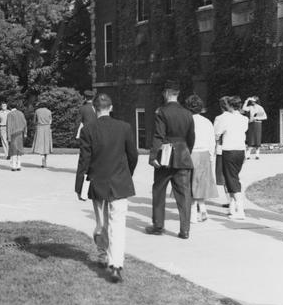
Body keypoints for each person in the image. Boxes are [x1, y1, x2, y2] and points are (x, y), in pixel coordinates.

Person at [75, 93, 138, 283]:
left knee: (101, 223)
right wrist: (127, 174)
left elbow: (84, 160)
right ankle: (116, 264)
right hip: (119, 181)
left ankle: (103, 254)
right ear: (111, 108)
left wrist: (80, 186)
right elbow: (133, 155)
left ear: (94, 109)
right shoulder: (124, 127)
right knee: (118, 224)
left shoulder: (88, 129)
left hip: (97, 181)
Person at [145, 80, 195, 239]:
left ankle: (158, 226)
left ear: (166, 93)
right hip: (183, 154)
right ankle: (185, 230)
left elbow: (158, 135)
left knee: (159, 191)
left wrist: (153, 156)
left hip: (165, 156)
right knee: (184, 194)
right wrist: (187, 152)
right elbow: (191, 137)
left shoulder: (161, 111)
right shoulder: (188, 113)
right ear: (178, 94)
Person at [214, 95, 249, 219]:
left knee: (232, 179)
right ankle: (232, 208)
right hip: (240, 151)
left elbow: (217, 133)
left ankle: (240, 210)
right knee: (232, 178)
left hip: (229, 150)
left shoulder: (225, 119)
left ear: (229, 105)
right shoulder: (244, 119)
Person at [185, 95, 218, 223]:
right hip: (204, 153)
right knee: (201, 184)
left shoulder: (187, 121)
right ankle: (203, 209)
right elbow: (212, 141)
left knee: (190, 184)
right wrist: (211, 157)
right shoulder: (207, 122)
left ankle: (193, 213)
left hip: (191, 153)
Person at [214, 97, 231, 208]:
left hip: (222, 149)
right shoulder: (238, 117)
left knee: (223, 176)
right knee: (232, 175)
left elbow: (216, 134)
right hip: (236, 149)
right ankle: (233, 200)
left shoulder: (220, 118)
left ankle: (230, 199)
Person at [7, 105, 27, 171]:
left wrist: (8, 136)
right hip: (20, 133)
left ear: (10, 108)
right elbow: (25, 123)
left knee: (13, 150)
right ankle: (18, 165)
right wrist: (25, 132)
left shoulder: (10, 114)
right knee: (19, 149)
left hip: (13, 134)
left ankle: (13, 166)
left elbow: (9, 126)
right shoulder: (21, 113)